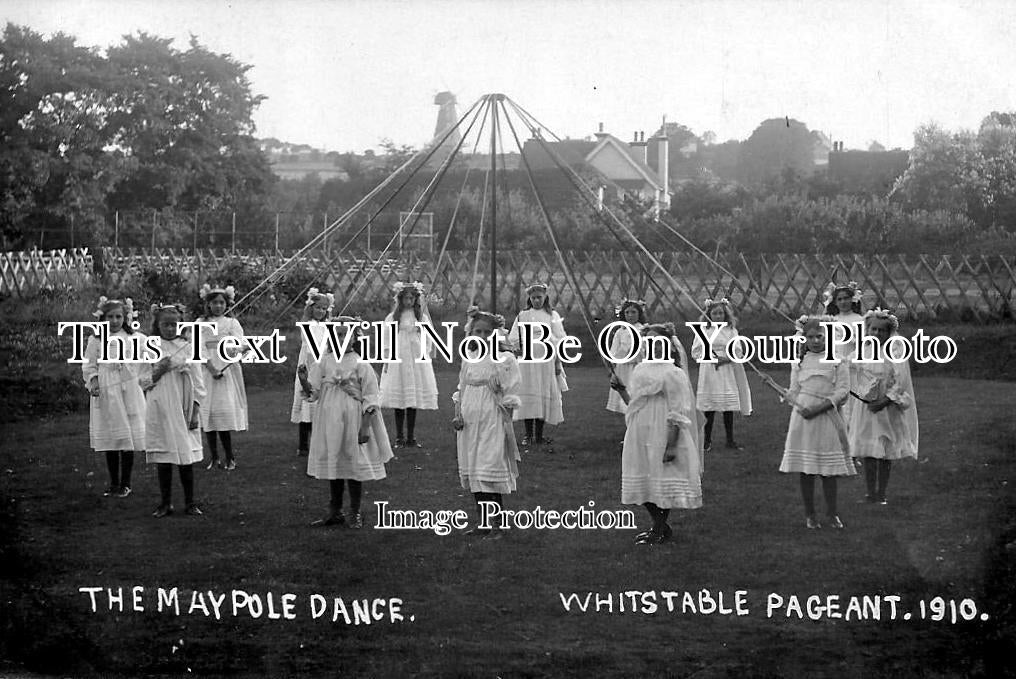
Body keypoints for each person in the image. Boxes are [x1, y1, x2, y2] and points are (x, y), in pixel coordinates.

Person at [610, 323, 702, 545]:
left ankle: (659, 529)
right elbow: (634, 403)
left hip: (662, 427)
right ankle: (659, 525)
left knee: (662, 477)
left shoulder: (673, 372)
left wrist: (671, 444)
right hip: (640, 427)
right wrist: (621, 389)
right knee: (641, 473)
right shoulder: (640, 369)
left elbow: (678, 410)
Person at [298, 316, 393, 529]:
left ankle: (355, 511)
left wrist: (365, 426)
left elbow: (371, 396)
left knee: (354, 464)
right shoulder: (323, 362)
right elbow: (312, 393)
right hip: (330, 420)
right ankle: (335, 510)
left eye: (345, 334)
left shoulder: (361, 364)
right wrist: (304, 380)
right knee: (335, 462)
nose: (340, 338)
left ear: (354, 337)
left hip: (353, 420)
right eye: (336, 334)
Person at [451, 307, 522, 539]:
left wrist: (506, 419)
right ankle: (482, 522)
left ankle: (498, 525)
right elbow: (461, 387)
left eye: (487, 332)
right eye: (478, 331)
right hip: (470, 418)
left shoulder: (504, 359)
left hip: (492, 416)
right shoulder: (469, 357)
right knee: (475, 469)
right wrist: (458, 413)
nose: (482, 337)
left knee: (489, 469)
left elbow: (511, 390)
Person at [778, 315, 855, 529]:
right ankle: (810, 514)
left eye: (819, 336)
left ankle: (832, 513)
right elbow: (795, 391)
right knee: (807, 468)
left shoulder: (838, 360)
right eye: (810, 337)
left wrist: (819, 408)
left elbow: (842, 392)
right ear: (804, 338)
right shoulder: (800, 361)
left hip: (826, 416)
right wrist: (784, 393)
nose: (815, 341)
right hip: (803, 419)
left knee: (828, 469)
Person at [847, 309, 919, 504]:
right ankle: (870, 493)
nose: (876, 334)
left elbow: (900, 381)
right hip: (867, 407)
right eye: (873, 329)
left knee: (885, 450)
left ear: (889, 333)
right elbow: (847, 364)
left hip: (887, 408)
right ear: (867, 330)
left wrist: (884, 401)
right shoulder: (864, 350)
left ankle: (882, 492)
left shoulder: (895, 352)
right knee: (869, 450)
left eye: (881, 331)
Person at [141, 304, 206, 518]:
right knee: (164, 453)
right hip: (160, 402)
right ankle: (165, 502)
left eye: (174, 324)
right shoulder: (150, 345)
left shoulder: (187, 346)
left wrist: (195, 411)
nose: (170, 329)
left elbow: (198, 381)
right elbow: (141, 380)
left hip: (183, 401)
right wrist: (158, 371)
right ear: (157, 325)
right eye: (165, 325)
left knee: (185, 454)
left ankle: (190, 502)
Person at [82, 297, 146, 498]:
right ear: (103, 318)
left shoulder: (135, 337)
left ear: (126, 317)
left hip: (128, 389)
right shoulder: (96, 340)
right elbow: (89, 364)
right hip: (107, 390)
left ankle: (126, 483)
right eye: (110, 316)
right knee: (111, 437)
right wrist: (93, 382)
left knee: (126, 437)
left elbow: (150, 356)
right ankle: (114, 482)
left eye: (119, 316)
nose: (115, 320)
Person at [378, 281, 439, 449]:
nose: (409, 301)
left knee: (412, 398)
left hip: (414, 357)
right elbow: (386, 338)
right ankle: (399, 436)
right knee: (400, 397)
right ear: (400, 299)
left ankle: (411, 436)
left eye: (412, 298)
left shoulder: (421, 317)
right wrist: (387, 357)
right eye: (406, 298)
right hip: (399, 357)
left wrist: (424, 353)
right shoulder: (392, 318)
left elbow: (427, 338)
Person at [195, 284, 248, 470]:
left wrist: (240, 349)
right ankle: (214, 457)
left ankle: (230, 456)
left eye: (221, 302)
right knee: (208, 414)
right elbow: (198, 347)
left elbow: (239, 343)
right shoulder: (200, 323)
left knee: (223, 413)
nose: (218, 306)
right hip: (208, 370)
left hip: (226, 371)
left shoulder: (232, 323)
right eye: (214, 303)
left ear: (227, 304)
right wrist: (210, 368)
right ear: (208, 304)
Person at [508, 283, 566, 453]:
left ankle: (539, 435)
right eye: (533, 298)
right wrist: (518, 347)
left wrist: (557, 362)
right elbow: (514, 337)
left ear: (545, 297)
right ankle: (528, 434)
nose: (536, 300)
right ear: (529, 299)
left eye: (539, 297)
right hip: (528, 362)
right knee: (528, 394)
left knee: (541, 394)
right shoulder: (523, 315)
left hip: (545, 361)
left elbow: (559, 339)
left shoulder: (552, 315)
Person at [691, 298, 752, 451]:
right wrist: (712, 358)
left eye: (721, 313)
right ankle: (706, 441)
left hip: (726, 369)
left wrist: (725, 359)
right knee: (709, 406)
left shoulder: (731, 331)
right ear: (709, 315)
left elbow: (738, 350)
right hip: (710, 369)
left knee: (727, 407)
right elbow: (696, 351)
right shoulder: (704, 330)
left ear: (725, 315)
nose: (718, 316)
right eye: (715, 313)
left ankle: (730, 440)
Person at [291, 288, 334, 457]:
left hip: (323, 366)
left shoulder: (328, 325)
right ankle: (303, 444)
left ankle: (320, 442)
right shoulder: (307, 325)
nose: (321, 311)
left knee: (321, 404)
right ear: (311, 308)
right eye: (318, 308)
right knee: (306, 402)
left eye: (324, 309)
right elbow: (310, 347)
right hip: (309, 365)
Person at [823, 281, 866, 425]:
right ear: (835, 302)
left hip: (853, 367)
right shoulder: (832, 320)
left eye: (846, 298)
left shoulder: (859, 320)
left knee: (853, 400)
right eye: (839, 299)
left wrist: (852, 339)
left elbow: (863, 347)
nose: (843, 302)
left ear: (853, 299)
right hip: (835, 366)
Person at [605, 298, 647, 416]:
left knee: (638, 397)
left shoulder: (644, 330)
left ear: (639, 314)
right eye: (627, 312)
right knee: (625, 399)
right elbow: (613, 352)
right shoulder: (620, 331)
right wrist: (612, 370)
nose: (630, 315)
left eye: (633, 312)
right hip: (623, 369)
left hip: (638, 367)